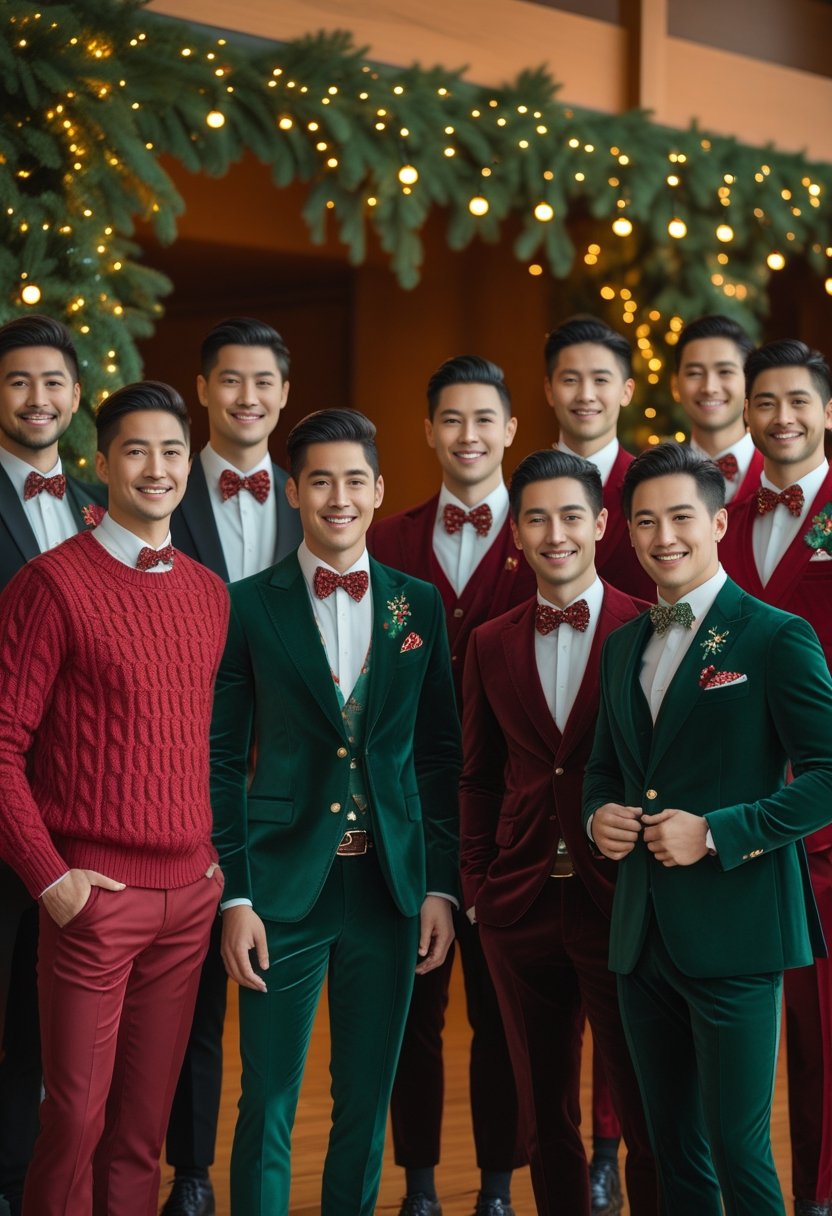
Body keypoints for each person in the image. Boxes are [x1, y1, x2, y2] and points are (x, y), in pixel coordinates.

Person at [211, 408, 461, 1215]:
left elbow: (437, 757)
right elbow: (221, 759)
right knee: (269, 1100)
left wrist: (440, 887)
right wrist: (236, 896)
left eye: (356, 480)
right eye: (321, 480)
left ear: (380, 489)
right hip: (283, 887)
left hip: (387, 890)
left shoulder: (417, 607)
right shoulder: (248, 606)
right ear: (294, 491)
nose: (339, 496)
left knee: (364, 1100)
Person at [584, 440, 832, 1216]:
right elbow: (604, 771)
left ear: (720, 522)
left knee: (738, 1148)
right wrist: (600, 818)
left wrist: (719, 831)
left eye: (682, 517)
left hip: (738, 932)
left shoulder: (774, 635)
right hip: (640, 936)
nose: (664, 537)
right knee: (672, 1151)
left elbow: (827, 775)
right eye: (646, 521)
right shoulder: (623, 643)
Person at [0, 380, 229, 1216]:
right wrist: (52, 879)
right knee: (76, 1121)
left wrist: (211, 871)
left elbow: (206, 743)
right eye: (137, 450)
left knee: (140, 1132)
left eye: (173, 450)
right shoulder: (51, 585)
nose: (158, 468)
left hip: (189, 898)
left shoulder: (209, 594)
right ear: (101, 465)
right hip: (95, 898)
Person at [460, 448, 658, 1216]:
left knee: (645, 1111)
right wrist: (478, 884)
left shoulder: (646, 632)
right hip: (520, 904)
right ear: (515, 533)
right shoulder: (488, 642)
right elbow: (476, 775)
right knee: (545, 1117)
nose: (555, 533)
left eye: (572, 515)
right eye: (536, 518)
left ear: (603, 524)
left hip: (623, 903)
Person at [369, 355, 532, 1216]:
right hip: (410, 817)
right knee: (412, 1017)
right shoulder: (387, 540)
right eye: (451, 421)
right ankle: (421, 1183)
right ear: (430, 431)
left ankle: (499, 1186)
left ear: (510, 430)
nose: (468, 436)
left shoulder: (545, 533)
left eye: (484, 420)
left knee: (502, 1019)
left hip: (514, 822)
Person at [164, 316, 302, 1216]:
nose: (248, 397)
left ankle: (262, 1163)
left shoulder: (321, 496)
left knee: (276, 983)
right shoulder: (156, 494)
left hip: (290, 787)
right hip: (181, 768)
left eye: (265, 382)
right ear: (205, 389)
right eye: (230, 381)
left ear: (285, 395)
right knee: (187, 996)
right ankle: (192, 1173)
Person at [720, 339, 832, 1216]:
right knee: (753, 1034)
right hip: (730, 814)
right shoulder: (720, 513)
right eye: (766, 401)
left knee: (827, 1039)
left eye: (799, 400)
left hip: (826, 813)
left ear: (827, 411)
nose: (782, 416)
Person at [0, 314, 106, 1216]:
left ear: (76, 396)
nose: (37, 398)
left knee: (39, 1023)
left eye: (53, 382)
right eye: (18, 381)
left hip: (68, 802)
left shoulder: (98, 510)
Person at [544, 316, 653, 600]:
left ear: (626, 391)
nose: (586, 395)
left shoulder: (652, 487)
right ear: (549, 390)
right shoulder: (525, 490)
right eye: (570, 380)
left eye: (601, 380)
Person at [672, 314, 761, 506]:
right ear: (675, 386)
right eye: (695, 373)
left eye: (725, 372)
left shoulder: (783, 474)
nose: (709, 387)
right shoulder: (659, 478)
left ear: (751, 383)